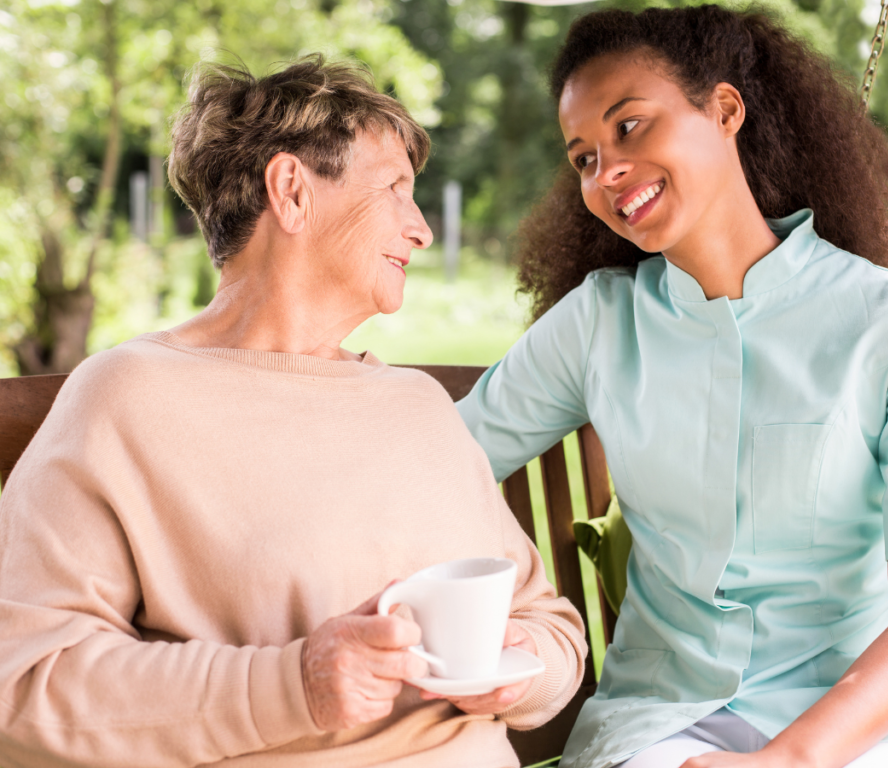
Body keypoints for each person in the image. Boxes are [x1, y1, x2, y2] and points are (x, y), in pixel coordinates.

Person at [0, 57, 586, 768]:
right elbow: (25, 685)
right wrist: (293, 685)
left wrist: (520, 671)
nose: (422, 229)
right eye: (397, 190)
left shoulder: (419, 407)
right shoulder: (125, 398)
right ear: (293, 191)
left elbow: (546, 622)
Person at [455, 7, 888, 768]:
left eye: (630, 127)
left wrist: (788, 760)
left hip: (858, 732)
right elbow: (442, 467)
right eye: (583, 158)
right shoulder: (600, 324)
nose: (606, 172)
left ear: (725, 110)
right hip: (657, 724)